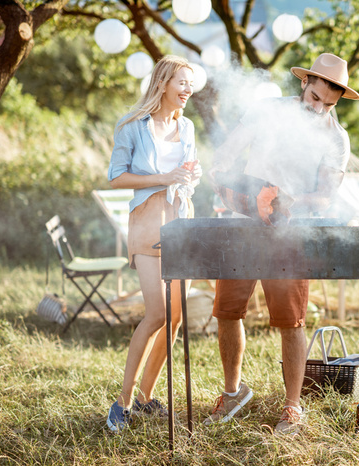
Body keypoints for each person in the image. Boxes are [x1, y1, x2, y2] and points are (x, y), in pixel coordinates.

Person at [205, 53, 359, 435]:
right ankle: (233, 392)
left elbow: (325, 195)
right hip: (243, 219)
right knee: (227, 311)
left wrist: (292, 202)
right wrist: (220, 173)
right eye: (314, 98)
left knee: (290, 321)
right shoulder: (267, 111)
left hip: (291, 230)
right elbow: (228, 150)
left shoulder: (336, 139)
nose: (319, 107)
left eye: (328, 103)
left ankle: (292, 406)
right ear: (304, 84)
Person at [106, 55, 203, 432]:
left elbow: (188, 174)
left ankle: (146, 397)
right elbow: (116, 178)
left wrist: (189, 176)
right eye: (182, 82)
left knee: (176, 317)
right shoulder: (132, 125)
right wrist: (165, 176)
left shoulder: (188, 126)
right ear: (163, 82)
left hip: (182, 220)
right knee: (157, 314)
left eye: (190, 84)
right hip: (147, 222)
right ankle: (123, 401)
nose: (187, 90)